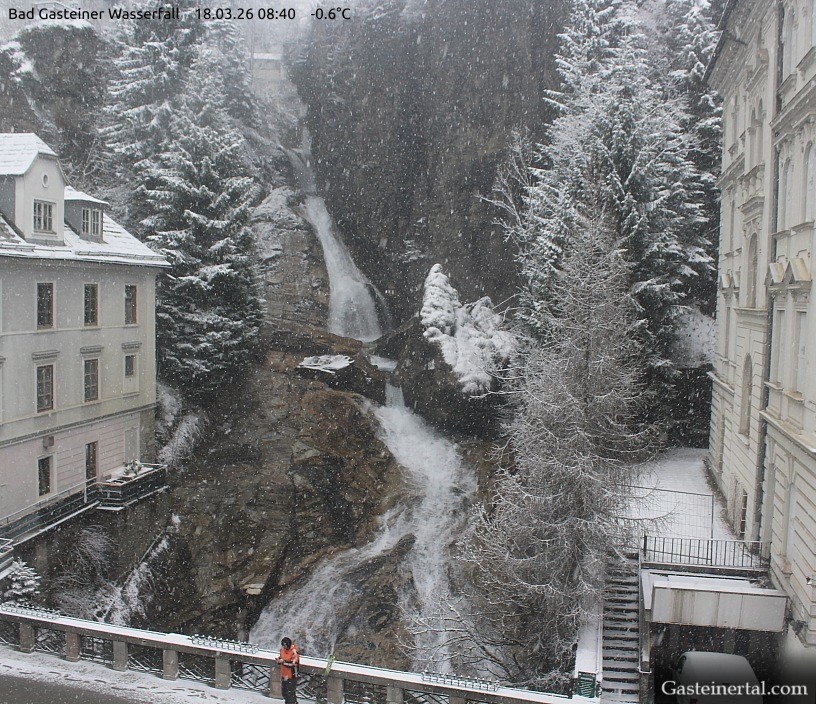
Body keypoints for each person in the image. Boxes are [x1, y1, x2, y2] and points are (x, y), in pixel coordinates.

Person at [279, 637, 300, 704]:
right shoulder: (282, 650)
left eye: (285, 645)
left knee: (290, 694)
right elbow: (281, 658)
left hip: (291, 676)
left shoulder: (294, 652)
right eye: (283, 645)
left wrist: (283, 662)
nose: (284, 646)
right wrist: (278, 661)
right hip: (284, 675)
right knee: (284, 693)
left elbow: (294, 664)